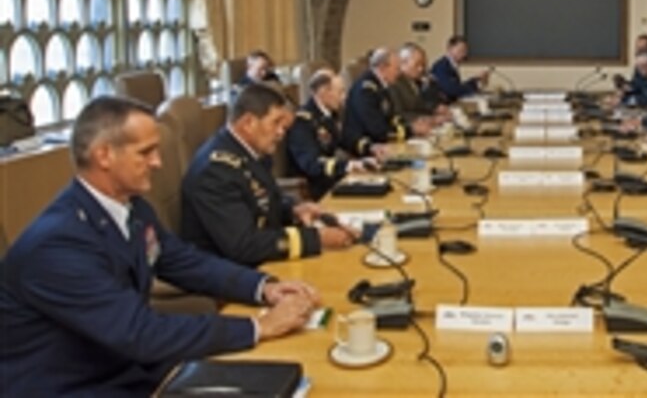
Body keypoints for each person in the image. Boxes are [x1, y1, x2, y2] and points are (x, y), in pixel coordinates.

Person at [0, 97, 318, 395]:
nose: (158, 162)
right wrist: (256, 326)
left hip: (120, 366)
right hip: (71, 384)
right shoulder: (57, 245)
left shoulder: (131, 206)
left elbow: (181, 260)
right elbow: (138, 333)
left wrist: (263, 287)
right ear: (104, 155)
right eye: (146, 152)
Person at [181, 84, 356, 265]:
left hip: (260, 256)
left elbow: (265, 201)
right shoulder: (216, 171)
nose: (282, 132)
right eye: (275, 123)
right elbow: (244, 245)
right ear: (249, 123)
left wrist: (294, 210)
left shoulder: (248, 151)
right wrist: (316, 238)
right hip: (230, 273)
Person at [285, 69, 370, 200]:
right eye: (340, 92)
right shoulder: (302, 122)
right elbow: (312, 163)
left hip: (332, 179)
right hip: (316, 188)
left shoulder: (328, 115)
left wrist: (369, 148)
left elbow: (345, 138)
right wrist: (346, 166)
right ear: (323, 92)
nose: (344, 97)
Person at [343, 48, 425, 156]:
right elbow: (377, 130)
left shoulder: (381, 85)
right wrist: (410, 131)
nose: (399, 72)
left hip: (382, 144)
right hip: (365, 148)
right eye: (396, 68)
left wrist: (411, 126)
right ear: (383, 68)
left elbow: (392, 117)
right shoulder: (366, 90)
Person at [389, 43, 447, 125]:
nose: (421, 69)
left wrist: (435, 109)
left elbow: (419, 105)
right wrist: (430, 120)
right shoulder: (395, 82)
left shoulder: (415, 81)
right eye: (417, 65)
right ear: (403, 63)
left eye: (423, 65)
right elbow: (399, 114)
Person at [430, 35, 489, 101]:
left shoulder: (452, 65)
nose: (464, 55)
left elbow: (458, 87)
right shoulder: (441, 66)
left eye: (465, 51)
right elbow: (452, 90)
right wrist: (473, 84)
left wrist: (476, 79)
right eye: (461, 50)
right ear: (450, 48)